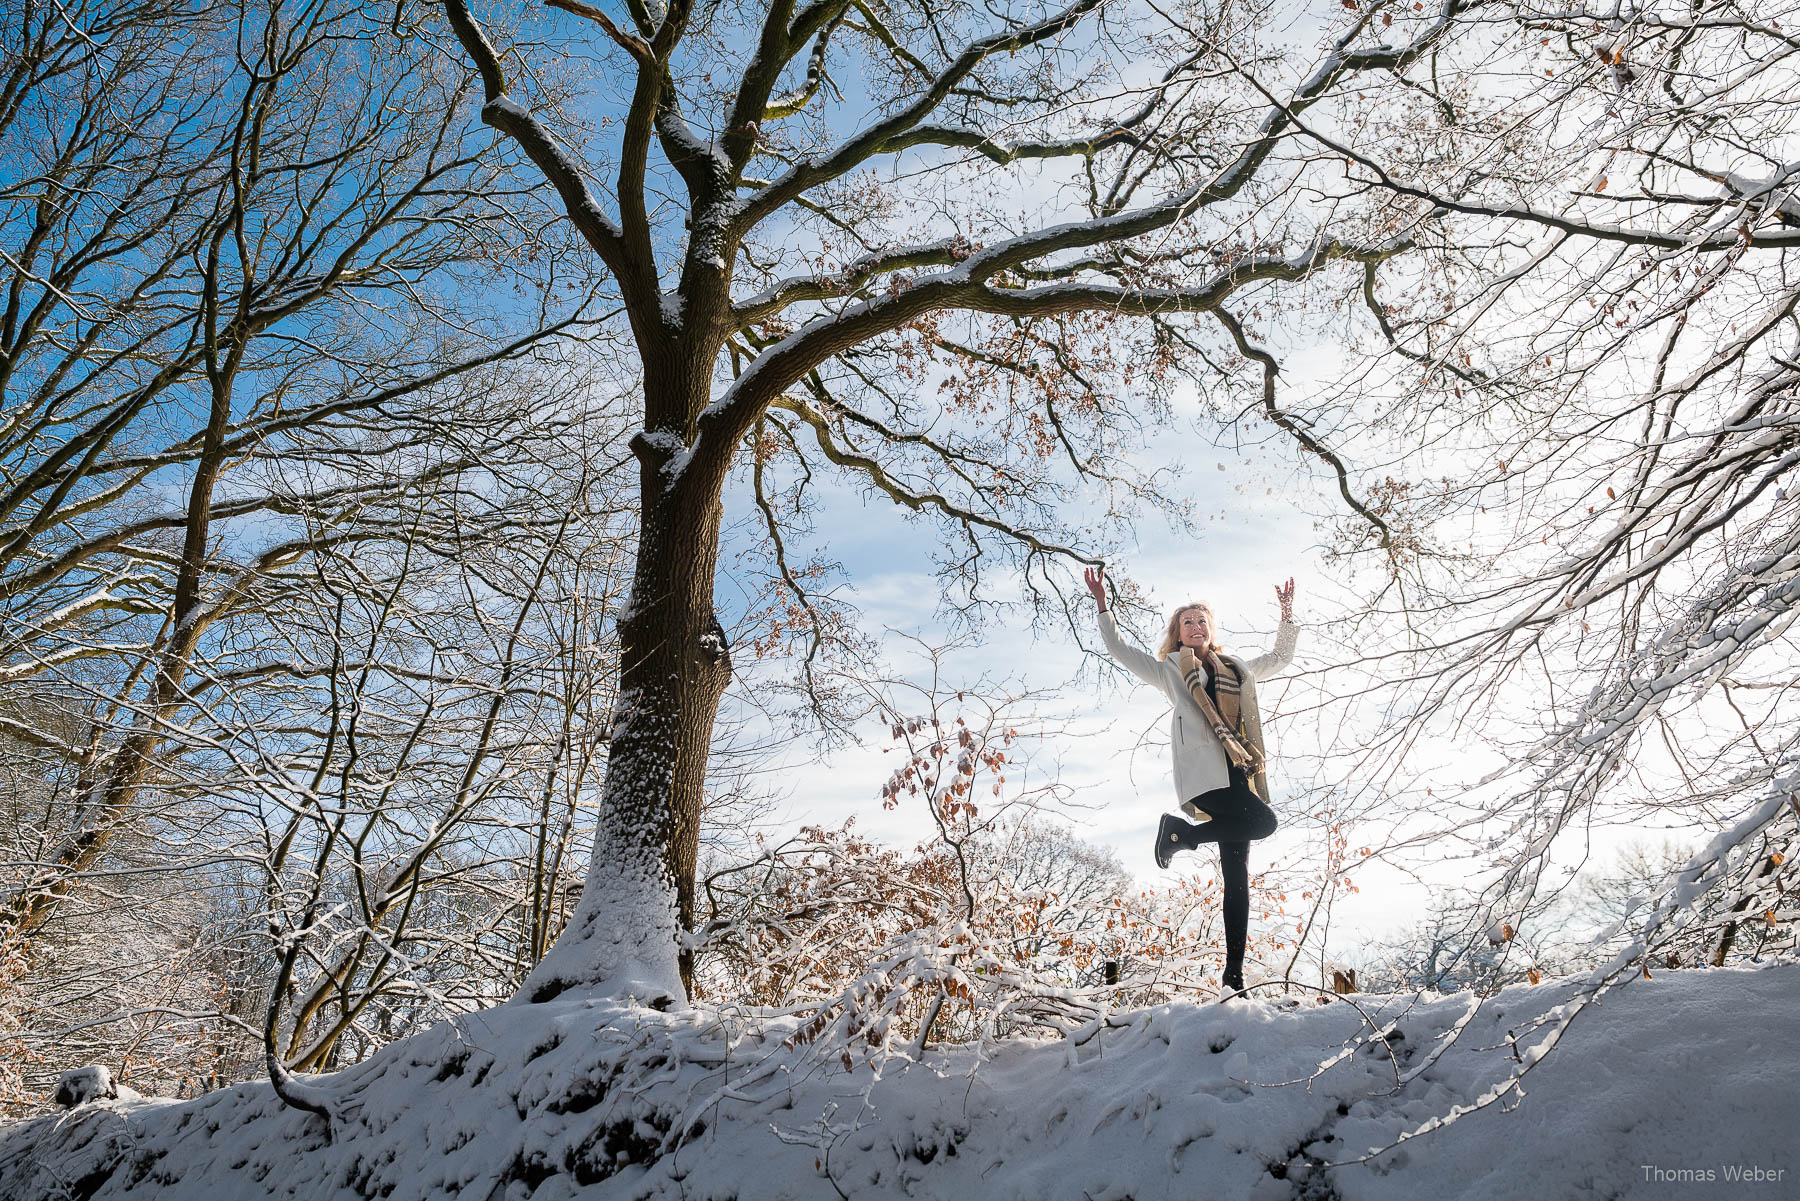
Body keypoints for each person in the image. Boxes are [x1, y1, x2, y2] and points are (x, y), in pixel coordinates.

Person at [1083, 565, 1299, 995]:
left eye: (1202, 621)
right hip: (1204, 773)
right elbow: (1121, 651)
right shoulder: (1169, 671)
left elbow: (1279, 659)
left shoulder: (1236, 668)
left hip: (1240, 771)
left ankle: (1232, 977)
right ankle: (1182, 833)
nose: (1196, 626)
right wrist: (1103, 606)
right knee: (1266, 823)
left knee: (1237, 876)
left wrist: (1287, 616)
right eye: (1187, 622)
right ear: (1178, 633)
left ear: (1210, 629)